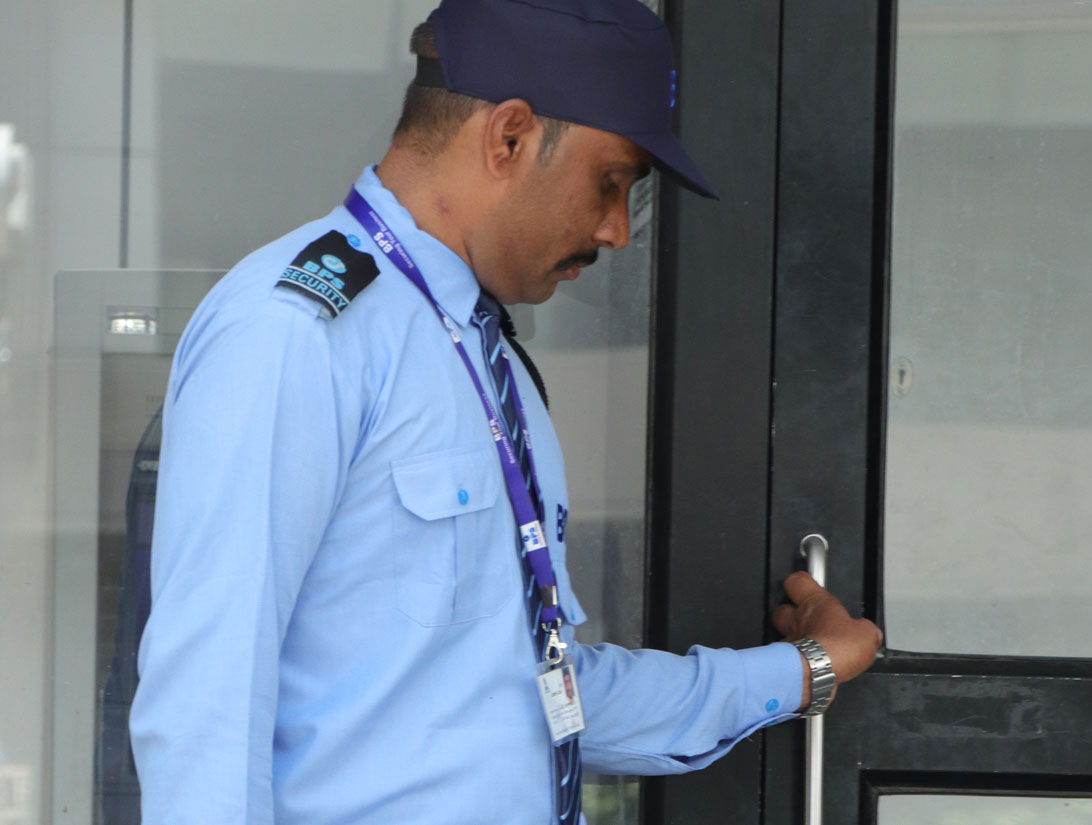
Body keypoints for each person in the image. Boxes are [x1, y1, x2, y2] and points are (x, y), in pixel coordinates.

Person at [129, 1, 882, 823]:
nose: (615, 230)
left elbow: (540, 694)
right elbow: (208, 705)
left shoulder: (491, 366)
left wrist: (804, 672)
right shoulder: (297, 331)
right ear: (509, 137)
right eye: (610, 182)